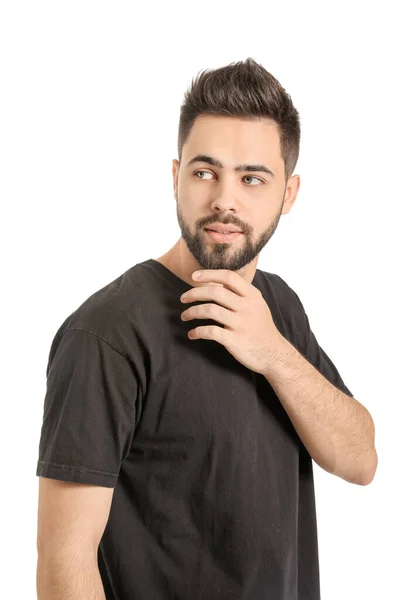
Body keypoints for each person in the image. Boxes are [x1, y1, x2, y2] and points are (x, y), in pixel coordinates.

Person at [36, 57, 377, 600]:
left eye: (252, 178)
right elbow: (63, 567)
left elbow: (361, 459)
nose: (224, 198)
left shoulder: (278, 307)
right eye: (204, 172)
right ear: (176, 179)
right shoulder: (106, 334)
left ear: (288, 195)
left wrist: (272, 352)